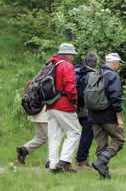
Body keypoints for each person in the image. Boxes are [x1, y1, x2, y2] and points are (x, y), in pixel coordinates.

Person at [89, 53, 126, 179]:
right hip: (108, 114)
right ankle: (101, 162)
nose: (119, 66)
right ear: (114, 63)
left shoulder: (94, 73)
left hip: (93, 114)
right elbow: (115, 97)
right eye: (119, 63)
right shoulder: (112, 75)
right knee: (119, 139)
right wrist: (119, 118)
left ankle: (103, 174)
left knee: (101, 145)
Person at [46, 43, 81, 173]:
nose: (73, 57)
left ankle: (53, 166)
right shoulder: (66, 65)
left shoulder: (51, 64)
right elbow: (70, 86)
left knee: (55, 136)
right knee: (74, 132)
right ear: (67, 54)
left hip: (50, 104)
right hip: (64, 104)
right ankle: (64, 162)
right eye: (72, 54)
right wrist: (75, 101)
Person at [75, 52, 99, 170]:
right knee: (87, 135)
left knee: (86, 134)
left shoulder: (79, 72)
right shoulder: (93, 75)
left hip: (78, 109)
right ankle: (81, 161)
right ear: (95, 63)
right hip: (88, 110)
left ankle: (83, 159)